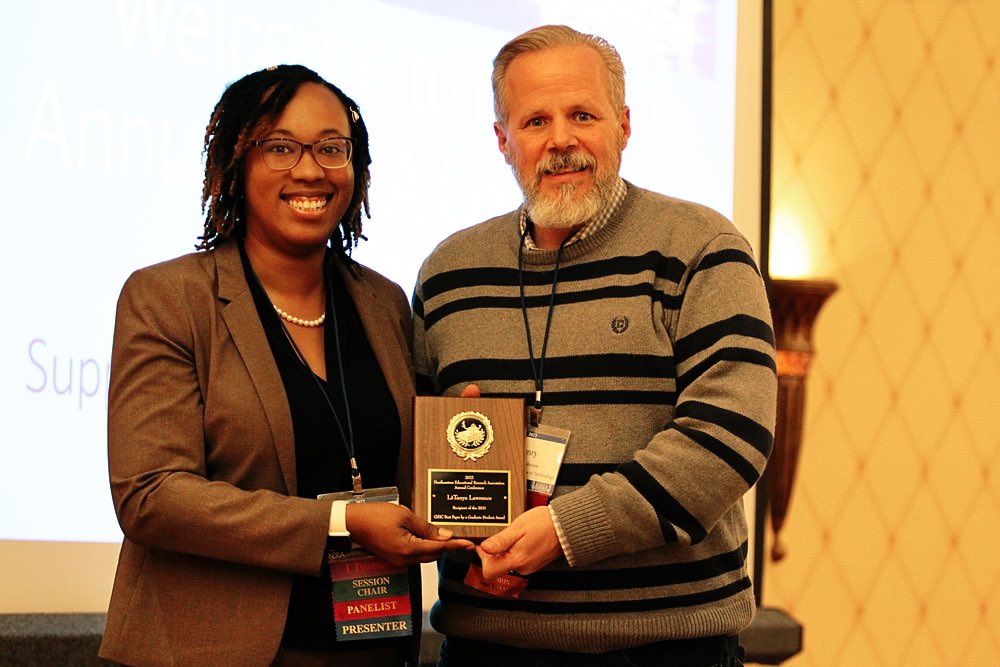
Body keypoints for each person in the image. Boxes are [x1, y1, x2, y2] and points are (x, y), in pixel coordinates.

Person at [411, 25, 777, 667]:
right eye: (535, 121)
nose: (561, 140)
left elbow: (729, 437)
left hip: (666, 652)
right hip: (487, 649)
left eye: (583, 115)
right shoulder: (448, 274)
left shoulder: (701, 248)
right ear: (502, 140)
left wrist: (565, 529)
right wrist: (455, 504)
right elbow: (411, 456)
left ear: (623, 125)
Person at [99, 64, 471, 667]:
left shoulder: (382, 302)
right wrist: (339, 522)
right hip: (217, 652)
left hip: (373, 646)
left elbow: (399, 471)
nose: (310, 170)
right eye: (279, 148)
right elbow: (151, 495)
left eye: (331, 148)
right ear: (235, 167)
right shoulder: (169, 298)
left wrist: (464, 449)